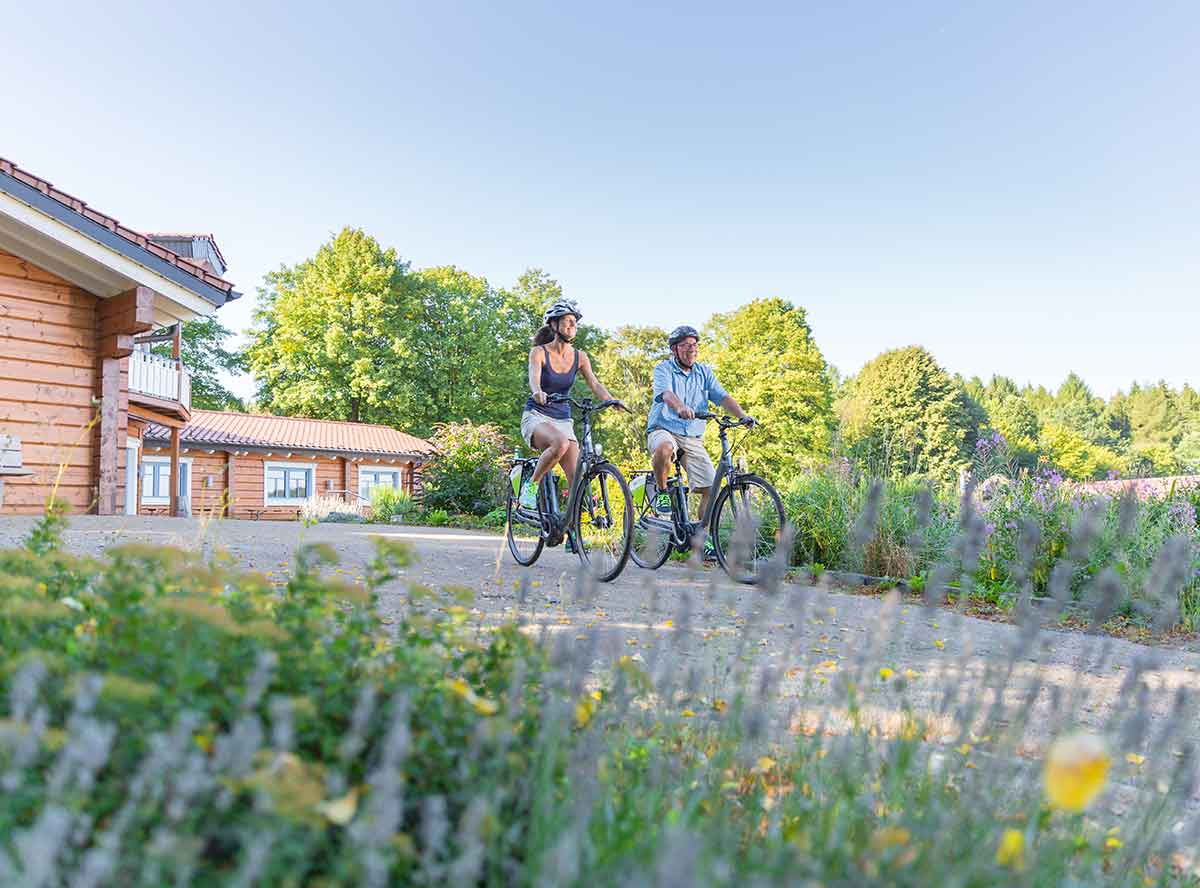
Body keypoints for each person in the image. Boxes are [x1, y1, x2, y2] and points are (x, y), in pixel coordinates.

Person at [518, 299, 625, 509]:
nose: (571, 326)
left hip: (563, 420)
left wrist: (610, 400)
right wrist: (537, 391)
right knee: (560, 443)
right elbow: (534, 376)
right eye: (567, 321)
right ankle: (531, 487)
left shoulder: (580, 357)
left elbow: (594, 383)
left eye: (574, 322)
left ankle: (572, 534)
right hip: (537, 415)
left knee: (578, 478)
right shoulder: (539, 352)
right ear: (554, 324)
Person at [646, 325, 754, 519]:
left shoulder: (704, 372)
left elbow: (722, 397)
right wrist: (680, 408)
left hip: (692, 437)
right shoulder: (664, 369)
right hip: (664, 428)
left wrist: (742, 416)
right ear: (674, 349)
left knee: (711, 490)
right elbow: (667, 394)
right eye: (686, 345)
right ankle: (662, 492)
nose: (691, 348)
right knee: (665, 447)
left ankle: (703, 537)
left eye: (694, 344)